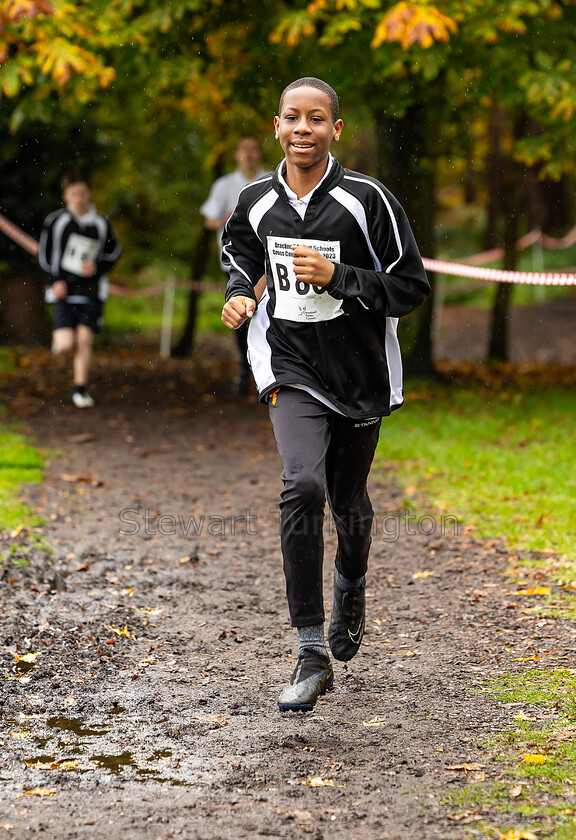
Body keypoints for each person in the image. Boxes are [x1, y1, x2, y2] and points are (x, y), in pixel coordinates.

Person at [221, 77, 430, 712]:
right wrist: (239, 291)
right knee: (301, 484)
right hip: (289, 362)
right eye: (293, 118)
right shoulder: (256, 200)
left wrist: (340, 277)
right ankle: (310, 651)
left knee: (349, 503)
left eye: (317, 119)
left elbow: (410, 286)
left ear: (336, 130)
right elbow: (239, 249)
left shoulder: (368, 200)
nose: (303, 128)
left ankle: (352, 583)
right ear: (277, 127)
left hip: (359, 372)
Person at [39, 170, 121, 408]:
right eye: (74, 194)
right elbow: (44, 256)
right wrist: (54, 281)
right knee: (65, 345)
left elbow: (114, 253)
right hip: (64, 292)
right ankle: (60, 347)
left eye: (83, 193)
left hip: (91, 291)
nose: (79, 198)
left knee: (84, 340)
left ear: (90, 194)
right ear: (66, 196)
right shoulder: (55, 222)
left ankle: (80, 390)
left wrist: (97, 268)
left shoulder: (101, 223)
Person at [200, 136, 269, 394]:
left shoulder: (272, 179)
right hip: (234, 262)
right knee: (241, 313)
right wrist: (226, 219)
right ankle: (244, 365)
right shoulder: (225, 185)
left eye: (253, 149)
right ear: (237, 154)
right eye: (244, 150)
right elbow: (208, 220)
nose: (249, 154)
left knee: (267, 312)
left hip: (268, 261)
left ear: (259, 153)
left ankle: (266, 369)